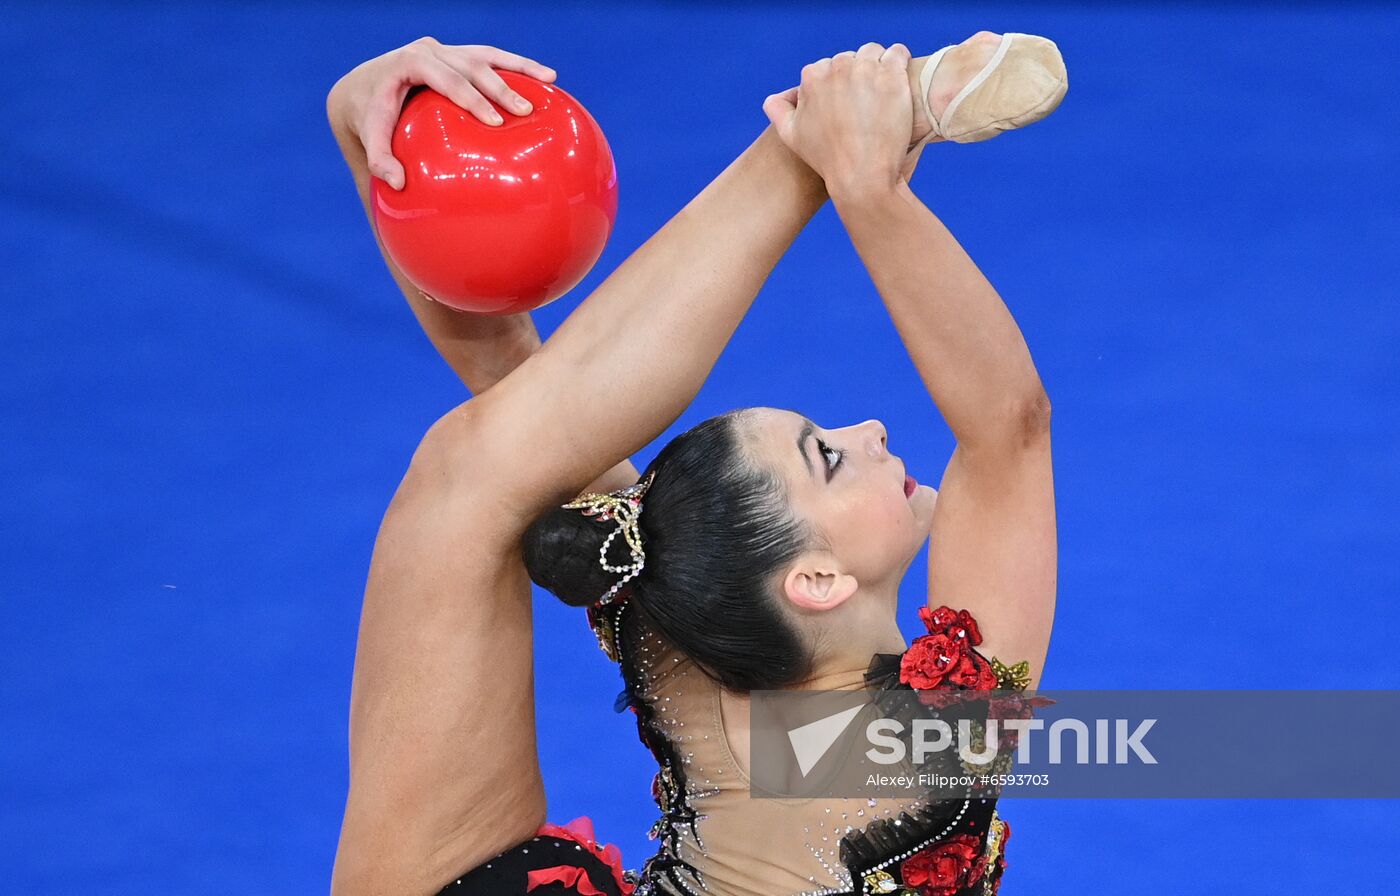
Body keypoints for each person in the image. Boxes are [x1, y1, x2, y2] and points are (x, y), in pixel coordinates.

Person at [326, 29, 1065, 896]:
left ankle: (799, 145)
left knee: (470, 472)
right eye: (829, 456)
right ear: (817, 580)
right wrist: (869, 191)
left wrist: (383, 138)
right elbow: (1007, 434)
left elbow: (510, 433)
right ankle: (808, 141)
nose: (871, 429)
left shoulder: (675, 629)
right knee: (479, 466)